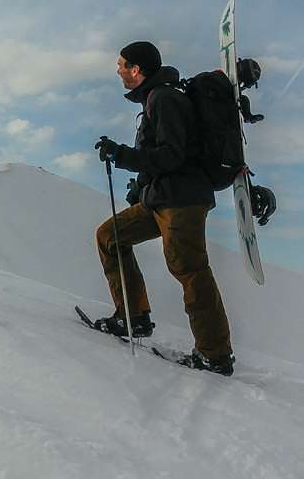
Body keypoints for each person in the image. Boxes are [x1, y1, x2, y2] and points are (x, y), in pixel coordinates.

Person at [92, 40, 234, 375]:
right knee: (110, 236)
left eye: (121, 64)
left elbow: (171, 155)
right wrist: (141, 188)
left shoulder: (165, 99)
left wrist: (121, 155)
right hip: (161, 198)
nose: (118, 70)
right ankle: (133, 317)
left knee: (189, 269)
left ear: (136, 69)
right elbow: (162, 155)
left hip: (182, 201)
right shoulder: (157, 98)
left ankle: (214, 354)